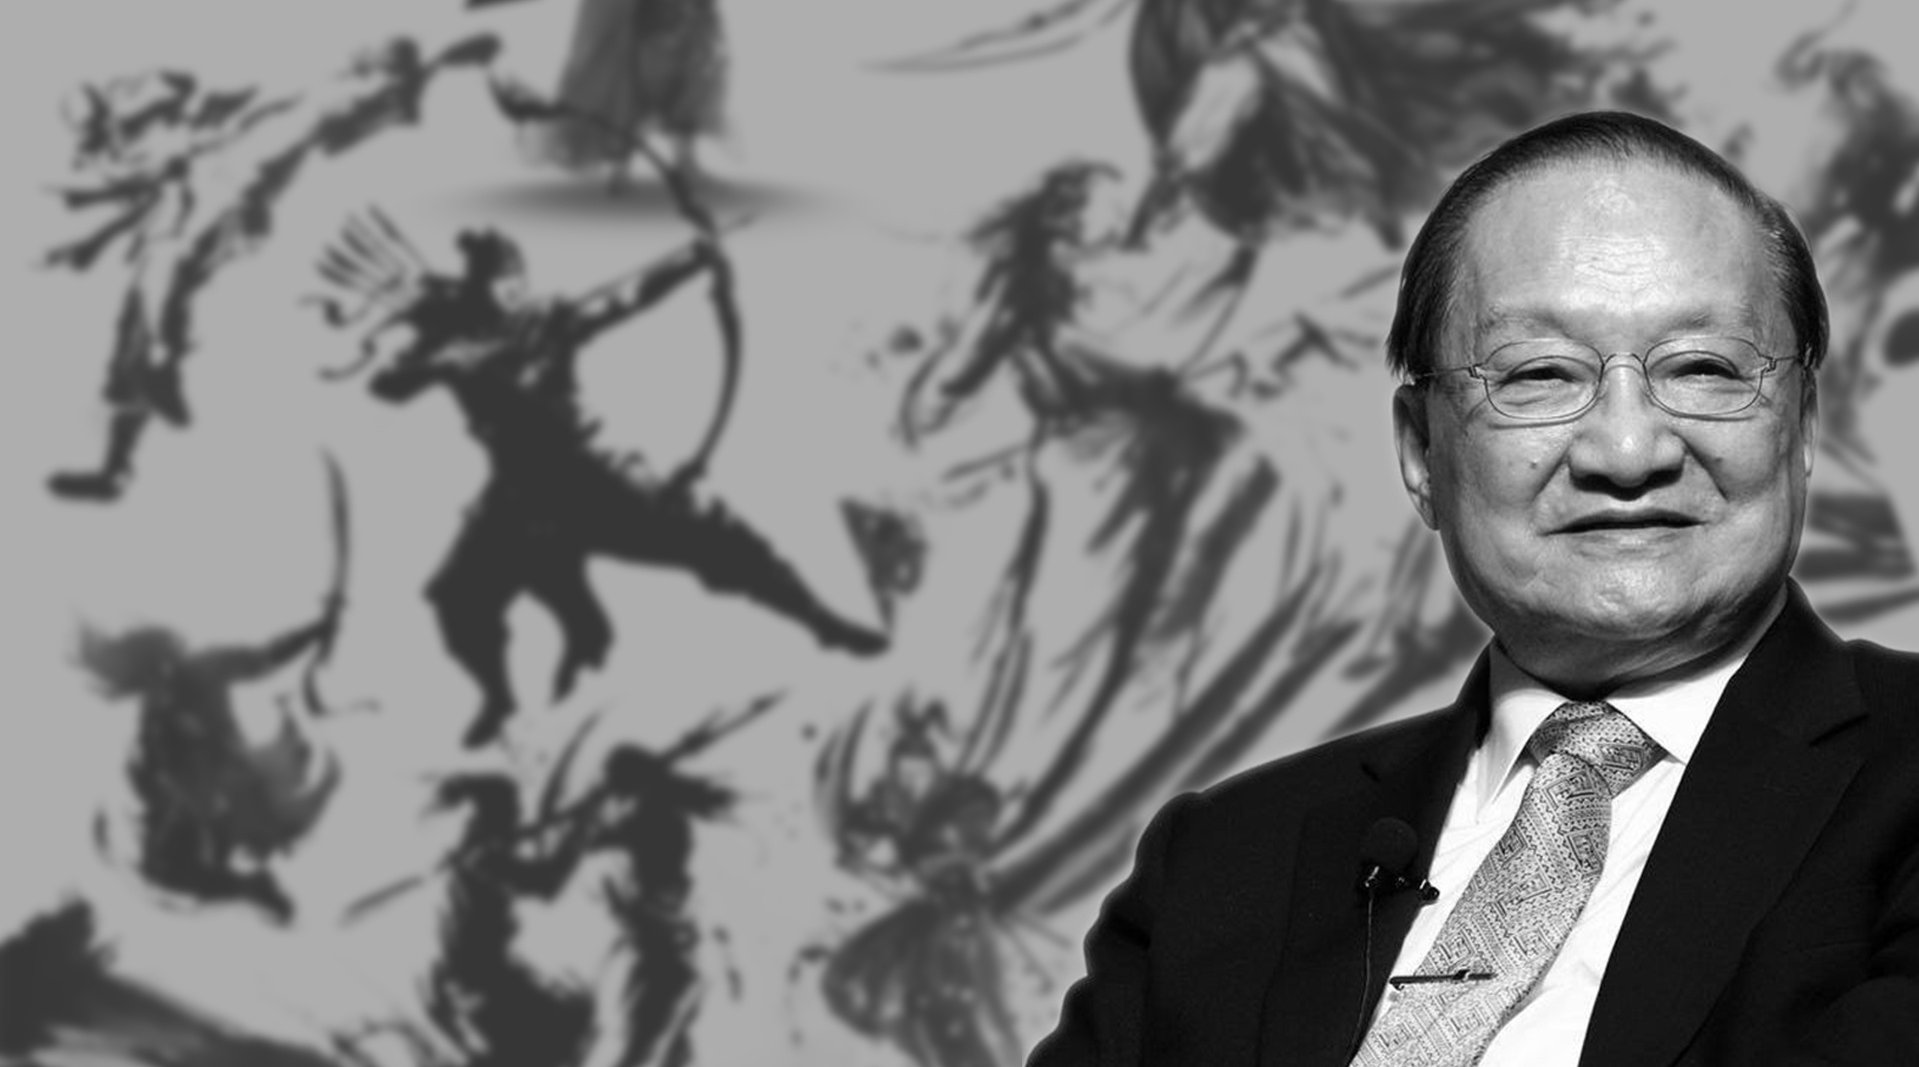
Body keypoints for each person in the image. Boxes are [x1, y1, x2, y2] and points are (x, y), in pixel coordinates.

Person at [1026, 109, 1919, 1065]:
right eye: (1539, 375)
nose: (1628, 451)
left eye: (1703, 368)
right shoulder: (1222, 862)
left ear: (1802, 423)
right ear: (1420, 451)